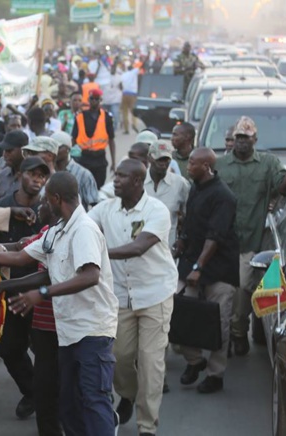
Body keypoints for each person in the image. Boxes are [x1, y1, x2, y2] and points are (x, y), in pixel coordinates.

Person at [0, 171, 119, 436]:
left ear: (57, 199)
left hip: (92, 330)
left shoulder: (84, 230)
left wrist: (42, 293)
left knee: (93, 399)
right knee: (68, 404)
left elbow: (90, 276)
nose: (42, 203)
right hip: (69, 332)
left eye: (46, 199)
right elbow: (20, 258)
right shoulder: (57, 231)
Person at [88, 159, 177, 436]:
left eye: (123, 177)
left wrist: (100, 254)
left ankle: (147, 426)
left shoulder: (156, 211)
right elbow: (82, 228)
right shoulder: (105, 209)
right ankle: (127, 394)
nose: (116, 180)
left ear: (138, 181)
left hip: (155, 294)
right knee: (120, 357)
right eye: (116, 175)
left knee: (150, 363)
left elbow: (139, 247)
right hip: (120, 297)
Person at [215, 116, 286, 356]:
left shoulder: (267, 163)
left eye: (246, 138)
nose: (242, 142)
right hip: (223, 241)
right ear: (233, 140)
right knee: (224, 291)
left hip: (251, 241)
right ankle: (228, 336)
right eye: (238, 138)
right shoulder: (221, 165)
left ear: (255, 139)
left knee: (245, 286)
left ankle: (238, 328)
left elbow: (283, 187)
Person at [173, 148, 240, 394]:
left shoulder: (224, 196)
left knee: (218, 326)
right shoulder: (195, 187)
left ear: (207, 167)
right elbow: (192, 222)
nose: (188, 166)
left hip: (218, 269)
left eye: (192, 163)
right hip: (192, 263)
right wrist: (182, 240)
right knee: (176, 314)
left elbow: (215, 236)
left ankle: (215, 374)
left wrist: (198, 267)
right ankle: (195, 360)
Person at [0, 156, 50, 419]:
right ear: (19, 176)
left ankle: (47, 397)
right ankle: (33, 391)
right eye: (32, 174)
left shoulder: (47, 208)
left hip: (41, 292)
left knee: (46, 350)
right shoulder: (2, 206)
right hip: (10, 290)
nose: (37, 180)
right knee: (10, 348)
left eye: (42, 176)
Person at [145, 141, 190, 248]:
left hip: (168, 249)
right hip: (141, 250)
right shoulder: (138, 182)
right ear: (149, 158)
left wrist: (182, 239)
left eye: (166, 159)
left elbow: (188, 216)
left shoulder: (180, 184)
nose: (163, 163)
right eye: (159, 159)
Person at [72, 89, 117, 189]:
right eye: (92, 98)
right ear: (88, 99)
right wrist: (73, 158)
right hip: (83, 158)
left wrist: (113, 163)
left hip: (100, 160)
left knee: (98, 189)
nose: (94, 101)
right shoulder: (80, 116)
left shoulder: (106, 117)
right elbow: (73, 139)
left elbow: (111, 140)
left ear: (100, 100)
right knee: (82, 189)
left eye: (96, 99)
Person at [52, 130, 99, 209]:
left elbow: (95, 205)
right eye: (52, 147)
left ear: (68, 149)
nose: (54, 151)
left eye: (58, 147)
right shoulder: (47, 172)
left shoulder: (84, 174)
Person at [0, 130, 28, 198]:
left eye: (9, 150)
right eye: (4, 150)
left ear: (23, 150)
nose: (5, 155)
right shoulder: (1, 176)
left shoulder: (33, 177)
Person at [120, 62, 139, 135]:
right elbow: (141, 65)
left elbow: (121, 85)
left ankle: (126, 129)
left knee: (125, 112)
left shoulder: (123, 75)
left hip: (124, 94)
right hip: (133, 95)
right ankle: (134, 124)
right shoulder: (134, 72)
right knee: (133, 111)